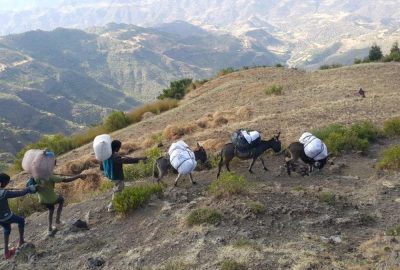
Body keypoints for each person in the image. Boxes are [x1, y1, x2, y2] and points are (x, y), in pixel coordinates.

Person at [101, 140, 147, 212]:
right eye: (119, 147)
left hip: (109, 175)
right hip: (116, 176)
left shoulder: (106, 155)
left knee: (117, 189)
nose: (119, 149)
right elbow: (125, 160)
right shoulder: (115, 156)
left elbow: (101, 167)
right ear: (117, 148)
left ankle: (116, 203)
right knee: (118, 190)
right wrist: (139, 159)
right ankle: (111, 207)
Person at [0, 173, 37, 259]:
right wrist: (29, 188)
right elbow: (20, 193)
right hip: (7, 216)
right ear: (3, 182)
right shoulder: (4, 193)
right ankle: (21, 241)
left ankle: (6, 253)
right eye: (7, 182)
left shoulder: (3, 191)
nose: (7, 184)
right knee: (21, 220)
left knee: (7, 229)